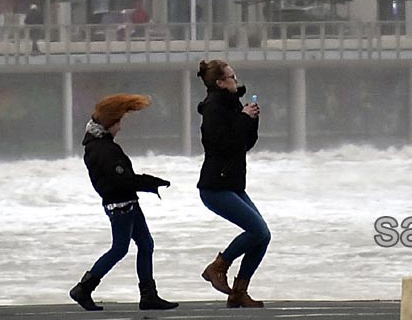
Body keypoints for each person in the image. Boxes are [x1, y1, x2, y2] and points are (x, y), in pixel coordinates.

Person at [68, 94, 178, 312]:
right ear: (110, 124)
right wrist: (151, 182)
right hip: (120, 206)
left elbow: (121, 179)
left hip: (127, 202)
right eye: (119, 123)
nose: (120, 128)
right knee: (119, 248)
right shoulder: (104, 150)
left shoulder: (98, 145)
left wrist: (148, 184)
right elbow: (122, 180)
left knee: (146, 244)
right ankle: (84, 288)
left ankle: (149, 296)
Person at [196, 59, 269, 308]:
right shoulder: (213, 107)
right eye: (231, 77)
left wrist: (251, 120)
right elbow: (221, 144)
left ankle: (239, 292)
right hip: (215, 186)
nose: (235, 81)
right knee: (257, 230)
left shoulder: (232, 105)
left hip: (233, 184)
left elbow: (243, 145)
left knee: (264, 235)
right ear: (219, 82)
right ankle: (218, 267)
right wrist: (242, 118)